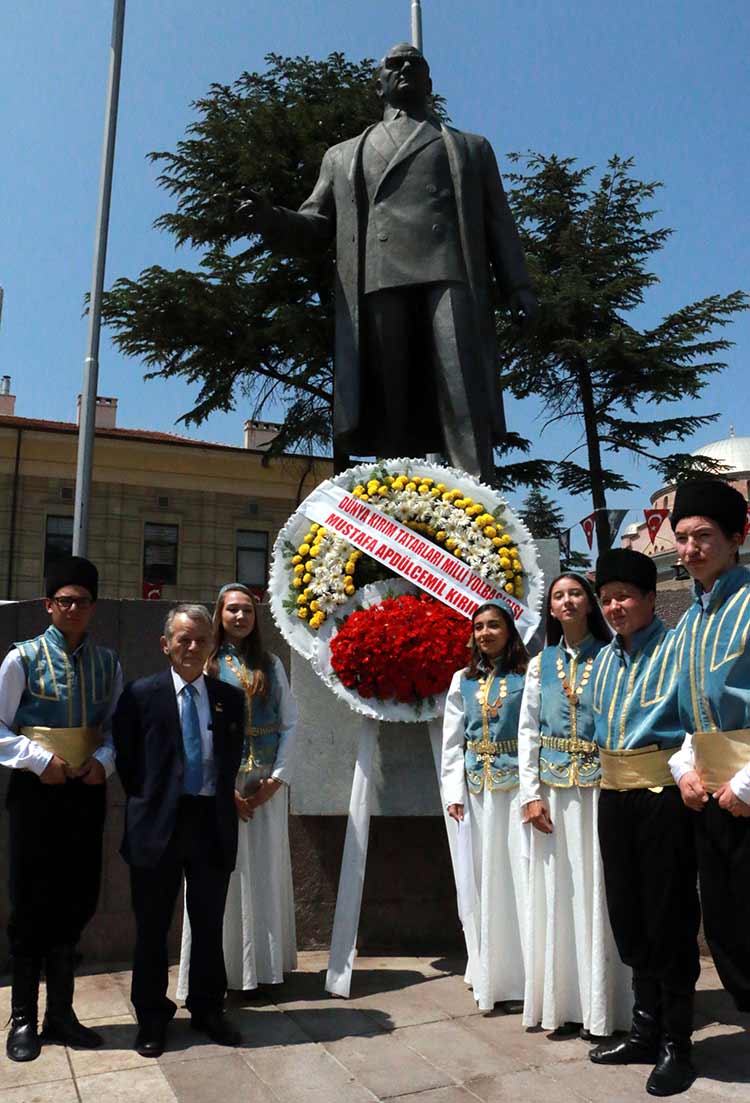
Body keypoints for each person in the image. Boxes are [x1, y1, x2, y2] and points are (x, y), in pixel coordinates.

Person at [238, 42, 536, 482]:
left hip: (449, 273)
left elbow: (499, 224)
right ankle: (397, 508)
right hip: (378, 280)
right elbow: (316, 223)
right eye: (393, 65)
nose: (405, 69)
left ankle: (479, 503)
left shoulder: (471, 148)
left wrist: (519, 285)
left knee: (462, 391)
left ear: (430, 82)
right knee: (390, 402)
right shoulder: (342, 155)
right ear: (379, 84)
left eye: (415, 64)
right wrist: (270, 218)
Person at [0, 556, 122, 1062]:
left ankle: (62, 1014)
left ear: (93, 608)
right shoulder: (21, 659)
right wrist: (35, 759)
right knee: (32, 902)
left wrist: (104, 764)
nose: (73, 608)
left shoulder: (108, 663)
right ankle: (24, 1017)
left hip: (85, 793)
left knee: (76, 899)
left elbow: (115, 727)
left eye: (82, 601)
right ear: (49, 605)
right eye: (64, 600)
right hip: (35, 793)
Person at [588, 549, 700, 1098]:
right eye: (606, 598)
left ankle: (679, 1044)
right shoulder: (603, 659)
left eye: (625, 596)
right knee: (627, 912)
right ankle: (644, 1030)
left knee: (668, 914)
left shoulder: (678, 647)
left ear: (652, 598)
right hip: (613, 795)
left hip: (663, 795)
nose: (614, 607)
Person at [113, 604, 244, 1058]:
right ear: (165, 644)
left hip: (211, 822)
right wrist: (154, 802)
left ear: (212, 645)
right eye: (183, 639)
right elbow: (129, 764)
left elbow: (228, 762)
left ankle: (208, 1009)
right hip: (158, 826)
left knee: (208, 924)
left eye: (201, 640)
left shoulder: (230, 698)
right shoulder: (141, 695)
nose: (192, 647)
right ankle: (151, 1017)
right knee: (152, 928)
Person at [518, 573, 631, 1040]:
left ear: (591, 604)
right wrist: (529, 794)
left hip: (599, 790)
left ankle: (602, 1010)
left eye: (575, 594)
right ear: (551, 608)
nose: (566, 601)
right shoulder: (538, 664)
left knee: (598, 894)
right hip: (552, 794)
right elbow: (527, 731)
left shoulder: (613, 656)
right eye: (558, 595)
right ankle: (561, 1005)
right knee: (556, 896)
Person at [176, 584, 298, 998]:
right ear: (219, 614)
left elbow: (290, 723)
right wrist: (223, 787)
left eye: (247, 609)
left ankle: (263, 970)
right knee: (220, 879)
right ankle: (222, 972)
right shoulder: (206, 665)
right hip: (218, 790)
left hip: (263, 785)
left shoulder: (271, 664)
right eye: (232, 610)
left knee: (262, 873)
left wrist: (275, 780)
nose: (240, 617)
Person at [667, 479, 750, 1012]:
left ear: (737, 536)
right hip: (709, 798)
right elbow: (680, 719)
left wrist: (748, 782)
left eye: (703, 536)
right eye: (681, 537)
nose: (690, 549)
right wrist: (683, 771)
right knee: (725, 926)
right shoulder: (687, 624)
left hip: (747, 791)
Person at [441, 601, 529, 1012]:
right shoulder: (463, 680)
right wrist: (454, 794)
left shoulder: (528, 676)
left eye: (494, 625)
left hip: (515, 792)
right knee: (481, 881)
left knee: (517, 878)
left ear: (510, 631)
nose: (485, 633)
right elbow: (452, 741)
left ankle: (526, 976)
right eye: (479, 627)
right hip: (477, 793)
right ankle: (487, 968)